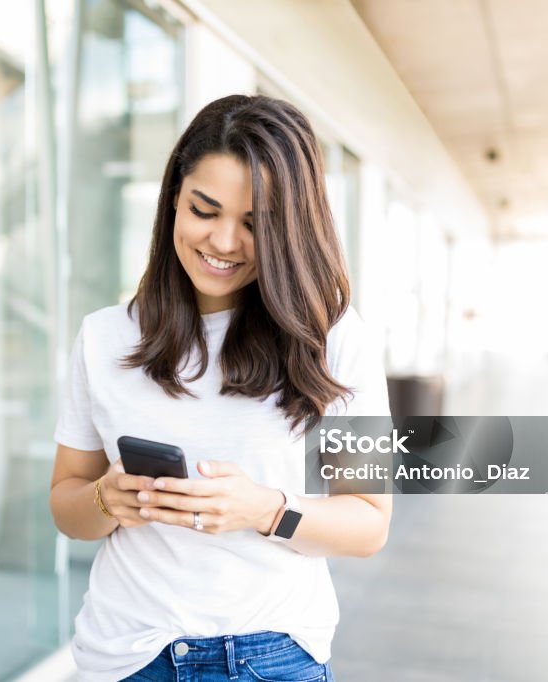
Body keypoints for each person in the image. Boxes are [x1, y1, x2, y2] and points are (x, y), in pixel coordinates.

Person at [50, 94, 392, 682]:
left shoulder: (334, 338)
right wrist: (109, 499)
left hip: (274, 657)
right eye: (203, 210)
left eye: (256, 224)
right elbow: (67, 505)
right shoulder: (103, 338)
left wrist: (265, 510)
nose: (224, 242)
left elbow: (368, 523)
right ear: (172, 203)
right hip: (127, 656)